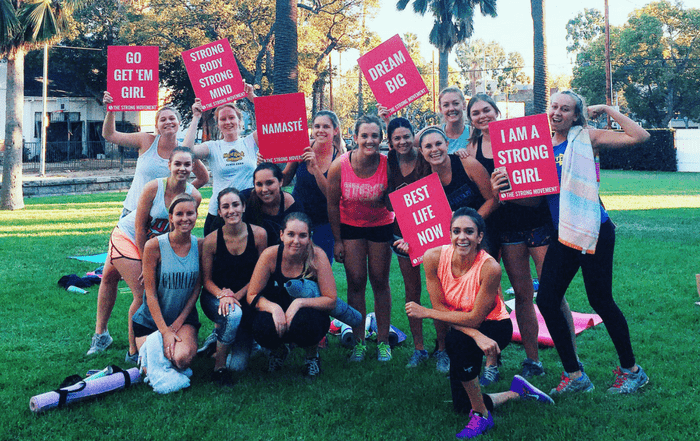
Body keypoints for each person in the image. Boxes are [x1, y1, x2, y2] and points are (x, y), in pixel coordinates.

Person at [493, 90, 650, 395]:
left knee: (600, 300)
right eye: (554, 107)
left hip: (593, 230)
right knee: (548, 300)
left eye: (565, 109)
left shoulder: (585, 138)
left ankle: (632, 371)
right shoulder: (535, 146)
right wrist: (504, 190)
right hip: (563, 235)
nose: (557, 113)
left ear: (576, 115)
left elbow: (640, 136)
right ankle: (575, 375)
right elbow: (535, 200)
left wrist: (606, 108)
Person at [406, 208, 553, 439]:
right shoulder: (433, 257)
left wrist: (426, 312)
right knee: (462, 404)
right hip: (468, 328)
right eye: (456, 231)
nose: (462, 237)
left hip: (494, 327)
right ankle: (517, 392)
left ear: (480, 237)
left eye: (469, 232)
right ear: (450, 234)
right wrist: (475, 335)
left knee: (456, 342)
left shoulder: (490, 267)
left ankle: (483, 417)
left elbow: (473, 318)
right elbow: (441, 309)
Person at [466, 93, 577, 383]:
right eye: (476, 113)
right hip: (507, 230)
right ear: (471, 120)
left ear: (496, 111)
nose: (482, 116)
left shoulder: (520, 135)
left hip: (538, 223)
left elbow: (541, 177)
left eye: (486, 110)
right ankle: (533, 360)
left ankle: (572, 360)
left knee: (553, 295)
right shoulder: (470, 148)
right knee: (524, 297)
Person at [87, 93, 207, 358]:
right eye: (162, 118)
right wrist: (112, 108)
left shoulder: (183, 152)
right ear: (156, 123)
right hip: (133, 220)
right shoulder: (147, 141)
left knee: (117, 278)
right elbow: (110, 135)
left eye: (172, 118)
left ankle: (113, 337)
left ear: (179, 122)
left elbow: (200, 174)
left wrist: (180, 199)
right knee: (122, 281)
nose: (168, 122)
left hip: (159, 223)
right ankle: (109, 338)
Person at [378, 110, 443, 370]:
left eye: (407, 136)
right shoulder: (388, 161)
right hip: (401, 235)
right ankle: (419, 348)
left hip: (431, 234)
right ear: (391, 142)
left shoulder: (426, 158)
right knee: (412, 291)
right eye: (397, 138)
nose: (402, 142)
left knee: (438, 292)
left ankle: (443, 348)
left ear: (414, 137)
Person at [327, 114, 395, 362]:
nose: (369, 140)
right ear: (354, 137)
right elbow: (332, 205)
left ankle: (383, 341)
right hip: (351, 227)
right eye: (364, 135)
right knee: (356, 282)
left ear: (381, 138)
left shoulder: (388, 164)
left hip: (380, 226)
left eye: (374, 135)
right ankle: (358, 342)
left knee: (380, 281)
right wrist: (337, 240)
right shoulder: (340, 165)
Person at [246, 212, 337, 378]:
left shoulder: (317, 256)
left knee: (306, 323)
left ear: (310, 237)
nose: (296, 241)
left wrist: (299, 303)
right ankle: (279, 351)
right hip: (278, 309)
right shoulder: (270, 255)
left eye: (302, 236)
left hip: (308, 314)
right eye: (290, 234)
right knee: (262, 326)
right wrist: (273, 308)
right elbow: (252, 294)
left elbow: (331, 300)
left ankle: (312, 357)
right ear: (281, 235)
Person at [200, 188, 267, 386]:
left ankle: (221, 341)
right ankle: (219, 369)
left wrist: (236, 296)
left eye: (235, 205)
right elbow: (206, 281)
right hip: (216, 297)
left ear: (244, 207)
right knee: (232, 314)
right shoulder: (211, 240)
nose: (231, 211)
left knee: (238, 365)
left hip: (246, 296)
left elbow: (261, 276)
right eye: (225, 207)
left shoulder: (259, 235)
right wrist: (223, 295)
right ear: (219, 212)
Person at [132, 194, 202, 372]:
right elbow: (150, 294)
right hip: (151, 320)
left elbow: (196, 289)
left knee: (181, 360)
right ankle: (144, 350)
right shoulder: (154, 246)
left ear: (196, 215)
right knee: (157, 367)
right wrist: (165, 331)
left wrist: (178, 324)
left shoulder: (200, 246)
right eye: (179, 214)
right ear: (171, 218)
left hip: (183, 319)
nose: (185, 218)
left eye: (190, 213)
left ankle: (177, 346)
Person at [185, 83, 259, 237]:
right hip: (219, 211)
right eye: (223, 119)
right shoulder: (213, 147)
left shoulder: (250, 141)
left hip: (248, 209)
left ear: (240, 121)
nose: (228, 122)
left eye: (232, 117)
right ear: (218, 124)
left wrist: (252, 98)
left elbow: (272, 122)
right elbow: (186, 151)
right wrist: (196, 117)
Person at [282, 110, 346, 263]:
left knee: (320, 267)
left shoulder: (341, 157)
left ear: (335, 130)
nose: (321, 130)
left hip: (324, 222)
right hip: (298, 218)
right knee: (294, 265)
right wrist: (266, 164)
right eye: (317, 126)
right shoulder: (302, 148)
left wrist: (316, 168)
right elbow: (284, 180)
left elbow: (333, 195)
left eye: (326, 126)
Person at [244, 162, 302, 247]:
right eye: (259, 184)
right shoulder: (244, 200)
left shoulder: (293, 205)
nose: (264, 189)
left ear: (281, 181)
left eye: (269, 183)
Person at [439, 86, 470, 154]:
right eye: (446, 105)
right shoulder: (436, 134)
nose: (451, 109)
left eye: (456, 103)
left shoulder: (474, 134)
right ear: (440, 109)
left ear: (464, 105)